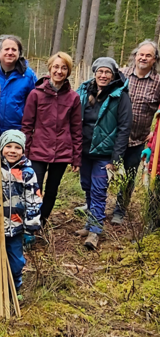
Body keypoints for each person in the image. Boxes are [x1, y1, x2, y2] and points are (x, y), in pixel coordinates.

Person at [75, 57, 132, 250]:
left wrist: (115, 158)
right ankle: (89, 223)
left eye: (107, 72)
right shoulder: (84, 91)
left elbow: (124, 128)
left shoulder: (120, 96)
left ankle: (95, 231)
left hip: (104, 154)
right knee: (88, 187)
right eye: (100, 71)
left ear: (113, 74)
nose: (103, 75)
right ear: (95, 72)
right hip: (84, 150)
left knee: (99, 191)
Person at [0, 130, 42, 293]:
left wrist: (30, 229)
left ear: (23, 150)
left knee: (16, 262)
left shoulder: (27, 173)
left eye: (17, 147)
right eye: (8, 146)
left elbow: (34, 200)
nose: (13, 150)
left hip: (16, 228)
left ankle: (13, 289)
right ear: (0, 148)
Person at [22, 52, 82, 226]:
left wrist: (76, 157)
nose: (59, 71)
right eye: (56, 67)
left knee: (52, 190)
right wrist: (25, 153)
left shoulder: (73, 98)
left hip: (62, 152)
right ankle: (30, 221)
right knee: (35, 188)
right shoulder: (36, 94)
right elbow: (27, 125)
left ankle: (42, 222)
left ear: (68, 71)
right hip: (38, 150)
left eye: (64, 68)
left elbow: (77, 129)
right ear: (49, 68)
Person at [109, 40, 160, 224]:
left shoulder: (158, 83)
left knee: (129, 176)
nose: (143, 58)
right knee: (103, 171)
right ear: (135, 55)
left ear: (154, 60)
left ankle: (120, 210)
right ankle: (94, 203)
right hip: (113, 136)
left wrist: (154, 134)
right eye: (141, 54)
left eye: (148, 55)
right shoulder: (121, 74)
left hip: (138, 139)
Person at [0, 35, 37, 134]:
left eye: (14, 50)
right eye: (6, 49)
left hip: (16, 133)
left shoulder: (28, 76)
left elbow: (35, 104)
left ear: (19, 53)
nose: (10, 52)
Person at [140, 110, 160, 233]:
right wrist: (149, 147)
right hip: (156, 162)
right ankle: (151, 230)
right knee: (153, 199)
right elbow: (158, 131)